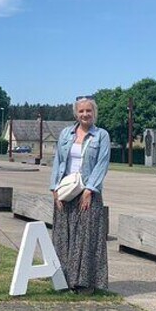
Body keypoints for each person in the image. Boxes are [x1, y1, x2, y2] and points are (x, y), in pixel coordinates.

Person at [49, 96, 111, 294]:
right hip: (67, 190)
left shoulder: (101, 136)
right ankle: (64, 280)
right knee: (64, 236)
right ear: (76, 113)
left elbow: (102, 165)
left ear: (94, 113)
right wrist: (54, 189)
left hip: (88, 192)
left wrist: (90, 189)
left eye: (89, 111)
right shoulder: (66, 134)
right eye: (81, 111)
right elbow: (58, 161)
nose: (85, 114)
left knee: (86, 238)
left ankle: (84, 283)